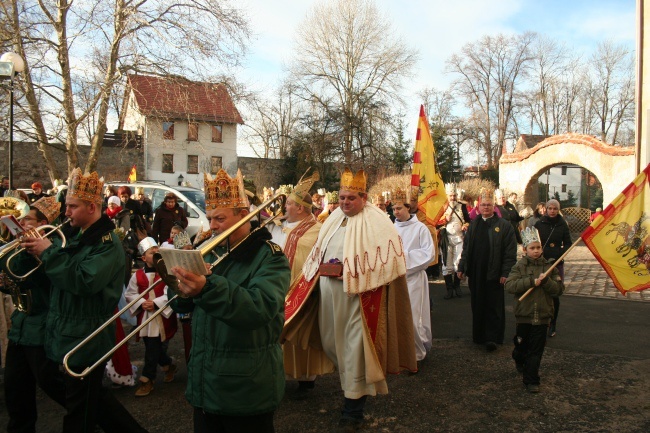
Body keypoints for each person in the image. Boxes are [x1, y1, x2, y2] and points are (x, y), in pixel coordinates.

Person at [18, 168, 147, 433]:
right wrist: (30, 248)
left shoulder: (106, 242)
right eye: (67, 206)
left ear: (91, 207)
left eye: (72, 207)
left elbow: (84, 281)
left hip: (86, 335)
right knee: (89, 404)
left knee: (80, 416)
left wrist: (48, 252)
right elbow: (53, 278)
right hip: (67, 331)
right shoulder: (77, 235)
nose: (66, 213)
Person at [170, 169, 290, 433]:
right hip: (206, 384)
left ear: (244, 215)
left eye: (220, 218)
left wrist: (206, 287)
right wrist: (178, 285)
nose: (212, 226)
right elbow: (182, 306)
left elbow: (259, 308)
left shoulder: (270, 257)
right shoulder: (209, 251)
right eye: (210, 218)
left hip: (246, 388)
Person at [299, 168, 417, 432]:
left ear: (363, 197)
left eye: (350, 198)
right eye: (341, 198)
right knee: (332, 343)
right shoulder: (331, 219)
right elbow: (319, 251)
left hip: (359, 301)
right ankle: (351, 389)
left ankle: (353, 410)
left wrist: (353, 275)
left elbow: (392, 263)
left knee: (356, 350)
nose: (344, 203)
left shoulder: (378, 221)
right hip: (329, 296)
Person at [1, 196, 67, 433]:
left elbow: (38, 278)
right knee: (15, 386)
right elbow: (13, 279)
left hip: (41, 323)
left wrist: (31, 251)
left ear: (42, 223)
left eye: (27, 219)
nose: (22, 222)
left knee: (51, 382)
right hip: (21, 324)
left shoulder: (52, 247)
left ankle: (88, 412)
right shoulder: (21, 245)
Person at [269, 172, 331, 397]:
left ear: (302, 209)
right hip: (279, 289)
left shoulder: (317, 230)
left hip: (305, 292)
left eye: (289, 204)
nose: (285, 208)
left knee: (302, 334)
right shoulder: (281, 226)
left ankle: (307, 379)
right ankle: (282, 375)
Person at [457, 188, 517, 352]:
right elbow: (467, 248)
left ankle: (492, 337)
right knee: (478, 303)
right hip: (476, 272)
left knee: (493, 306)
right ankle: (479, 335)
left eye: (489, 205)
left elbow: (510, 252)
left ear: (494, 206)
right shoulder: (474, 225)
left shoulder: (504, 226)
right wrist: (462, 267)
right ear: (478, 206)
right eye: (483, 205)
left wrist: (506, 272)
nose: (486, 207)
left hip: (495, 273)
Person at [505, 227, 563, 393]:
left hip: (543, 315)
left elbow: (558, 290)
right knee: (522, 347)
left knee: (536, 350)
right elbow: (510, 286)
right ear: (525, 249)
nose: (536, 251)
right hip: (524, 315)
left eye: (538, 247)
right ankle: (518, 357)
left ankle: (531, 380)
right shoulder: (519, 267)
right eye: (532, 248)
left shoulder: (549, 267)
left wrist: (547, 282)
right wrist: (531, 281)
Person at [125, 237, 178, 397]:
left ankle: (147, 379)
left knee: (152, 350)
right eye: (151, 252)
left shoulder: (167, 272)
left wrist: (156, 303)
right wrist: (142, 303)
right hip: (146, 317)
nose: (156, 253)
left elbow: (171, 291)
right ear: (143, 258)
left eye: (157, 251)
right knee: (153, 348)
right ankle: (168, 365)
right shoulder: (138, 275)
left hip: (161, 316)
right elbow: (130, 293)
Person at [392, 188, 435, 362]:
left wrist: (403, 259)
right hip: (395, 279)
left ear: (408, 208)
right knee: (397, 318)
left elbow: (428, 254)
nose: (396, 212)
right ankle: (401, 353)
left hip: (413, 278)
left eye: (399, 208)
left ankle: (417, 354)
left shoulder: (420, 229)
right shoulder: (390, 228)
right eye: (394, 209)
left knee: (413, 317)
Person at [534, 199, 572, 338]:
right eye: (550, 208)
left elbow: (568, 243)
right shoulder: (539, 223)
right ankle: (540, 321)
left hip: (556, 263)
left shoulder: (562, 224)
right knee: (539, 292)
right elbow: (534, 241)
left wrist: (559, 254)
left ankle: (553, 323)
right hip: (541, 262)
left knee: (554, 293)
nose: (552, 211)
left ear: (558, 209)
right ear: (546, 209)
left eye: (555, 208)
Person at [438, 183, 470, 299]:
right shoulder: (442, 207)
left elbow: (468, 220)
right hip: (446, 240)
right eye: (450, 195)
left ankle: (457, 286)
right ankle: (449, 289)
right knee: (447, 264)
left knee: (458, 262)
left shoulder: (462, 206)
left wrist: (466, 225)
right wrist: (444, 220)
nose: (453, 198)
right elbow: (436, 223)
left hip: (459, 238)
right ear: (447, 195)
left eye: (454, 195)